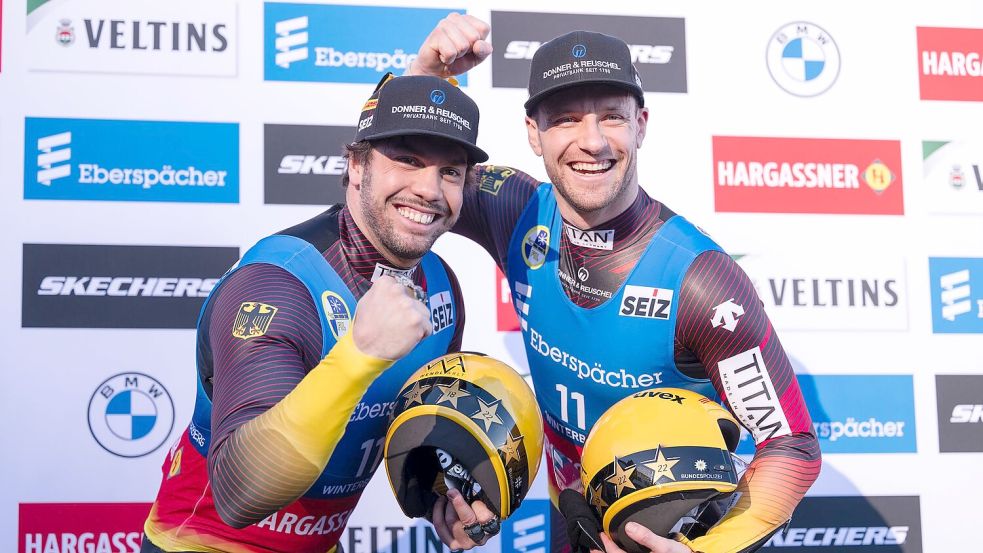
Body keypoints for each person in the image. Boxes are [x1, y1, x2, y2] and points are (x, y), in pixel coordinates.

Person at [407, 16, 822, 553]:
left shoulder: (701, 279)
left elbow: (792, 445)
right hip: (571, 519)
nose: (593, 142)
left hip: (670, 534)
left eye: (612, 117)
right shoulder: (512, 206)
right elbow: (388, 186)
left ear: (641, 124)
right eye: (565, 119)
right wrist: (424, 76)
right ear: (533, 132)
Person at [141, 74, 497, 553]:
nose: (429, 189)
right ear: (355, 165)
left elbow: (406, 429)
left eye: (450, 172)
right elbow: (238, 493)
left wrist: (443, 496)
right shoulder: (278, 282)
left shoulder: (442, 288)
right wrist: (360, 353)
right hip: (204, 544)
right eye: (408, 160)